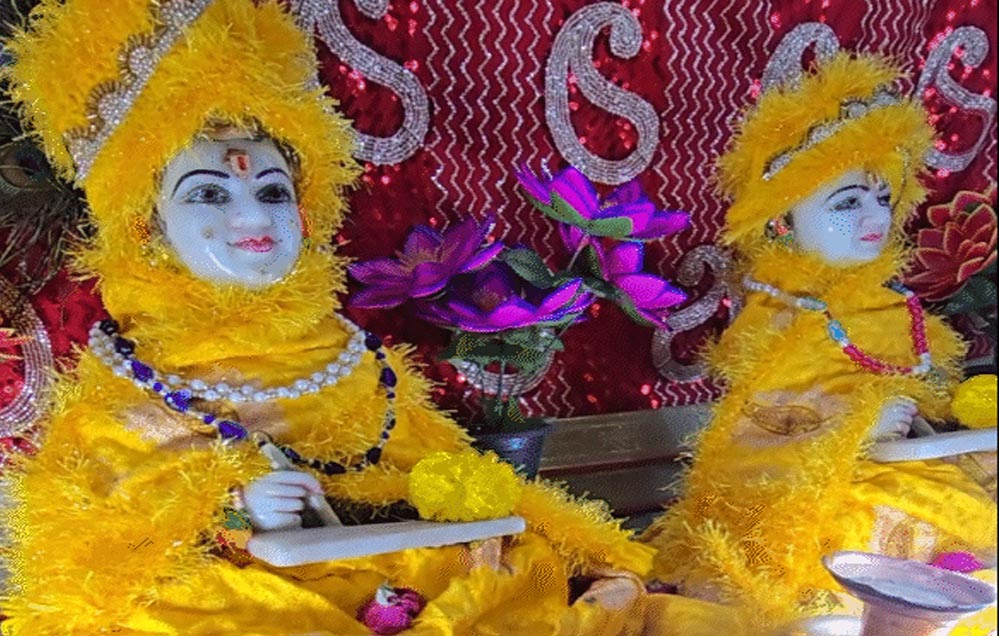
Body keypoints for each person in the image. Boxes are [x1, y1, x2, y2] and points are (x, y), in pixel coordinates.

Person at [0, 1, 736, 633]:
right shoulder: (133, 377)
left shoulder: (354, 356)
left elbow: (427, 467)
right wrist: (235, 505)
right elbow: (98, 537)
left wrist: (469, 504)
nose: (252, 217)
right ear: (147, 226)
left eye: (273, 191)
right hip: (245, 590)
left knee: (523, 568)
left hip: (402, 566)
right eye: (208, 195)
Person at [640, 52, 998, 631]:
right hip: (807, 497)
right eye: (847, 202)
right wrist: (856, 427)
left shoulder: (894, 306)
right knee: (855, 531)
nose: (874, 219)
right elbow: (752, 436)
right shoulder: (780, 316)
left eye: (882, 199)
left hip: (905, 473)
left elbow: (926, 404)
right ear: (783, 221)